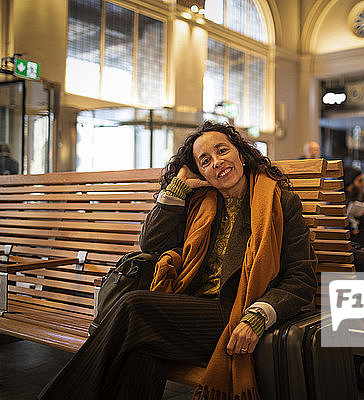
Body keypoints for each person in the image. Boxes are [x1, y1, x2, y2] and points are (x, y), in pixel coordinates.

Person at [38, 122, 317, 400]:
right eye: (205, 161)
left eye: (222, 151)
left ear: (241, 154)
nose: (217, 162)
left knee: (134, 306)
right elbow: (152, 243)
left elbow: (300, 277)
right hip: (189, 308)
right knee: (140, 351)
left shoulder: (280, 203)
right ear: (202, 172)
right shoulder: (201, 203)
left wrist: (259, 316)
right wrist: (177, 189)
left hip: (235, 311)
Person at [343, 166, 364, 249]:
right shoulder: (340, 197)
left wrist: (362, 217)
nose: (363, 183)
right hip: (344, 235)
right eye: (360, 181)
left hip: (362, 235)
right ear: (351, 183)